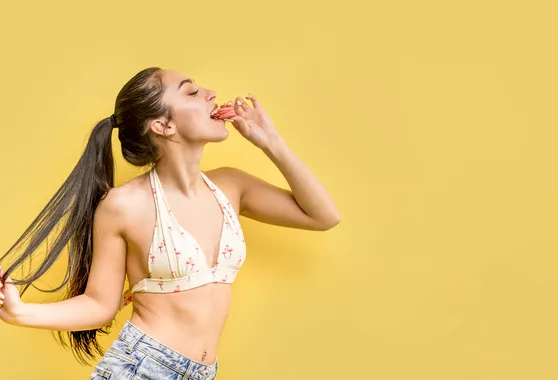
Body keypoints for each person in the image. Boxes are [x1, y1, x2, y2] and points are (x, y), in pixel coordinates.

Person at [0, 67, 340, 379]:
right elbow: (99, 304)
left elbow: (323, 216)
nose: (209, 93)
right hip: (142, 368)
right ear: (163, 125)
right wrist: (21, 313)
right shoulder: (124, 205)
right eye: (191, 92)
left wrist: (271, 141)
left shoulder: (231, 187)